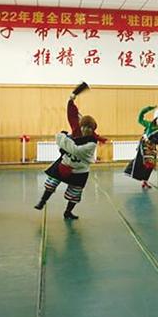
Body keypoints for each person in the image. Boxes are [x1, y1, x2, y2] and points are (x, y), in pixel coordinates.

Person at [34, 83, 104, 220]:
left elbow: (76, 150)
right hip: (65, 164)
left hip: (79, 170)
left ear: (93, 129)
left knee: (75, 193)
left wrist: (63, 139)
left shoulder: (92, 141)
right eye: (84, 127)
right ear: (81, 126)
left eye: (89, 128)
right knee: (52, 182)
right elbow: (72, 116)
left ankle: (68, 212)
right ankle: (42, 201)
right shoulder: (77, 130)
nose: (85, 130)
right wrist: (71, 99)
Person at [124, 105, 158, 188]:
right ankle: (131, 172)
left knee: (150, 166)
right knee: (140, 162)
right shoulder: (149, 124)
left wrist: (150, 139)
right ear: (155, 119)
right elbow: (140, 119)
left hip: (152, 148)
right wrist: (147, 109)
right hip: (144, 147)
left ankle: (145, 181)